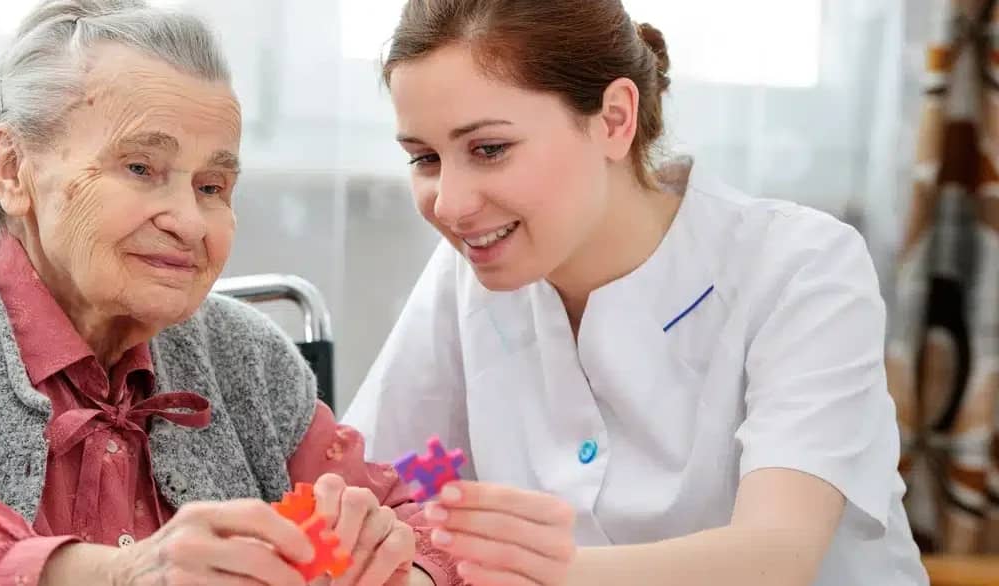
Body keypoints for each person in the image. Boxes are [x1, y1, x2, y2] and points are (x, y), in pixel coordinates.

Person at [0, 1, 456, 585]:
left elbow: (415, 517)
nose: (188, 220)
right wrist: (112, 574)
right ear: (14, 170)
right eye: (141, 169)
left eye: (211, 187)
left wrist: (401, 566)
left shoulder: (250, 361)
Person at [341, 1, 929, 585]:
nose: (449, 204)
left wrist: (537, 573)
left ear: (616, 119)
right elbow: (381, 486)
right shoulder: (465, 275)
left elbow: (775, 557)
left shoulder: (800, 267)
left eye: (489, 149)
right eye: (424, 158)